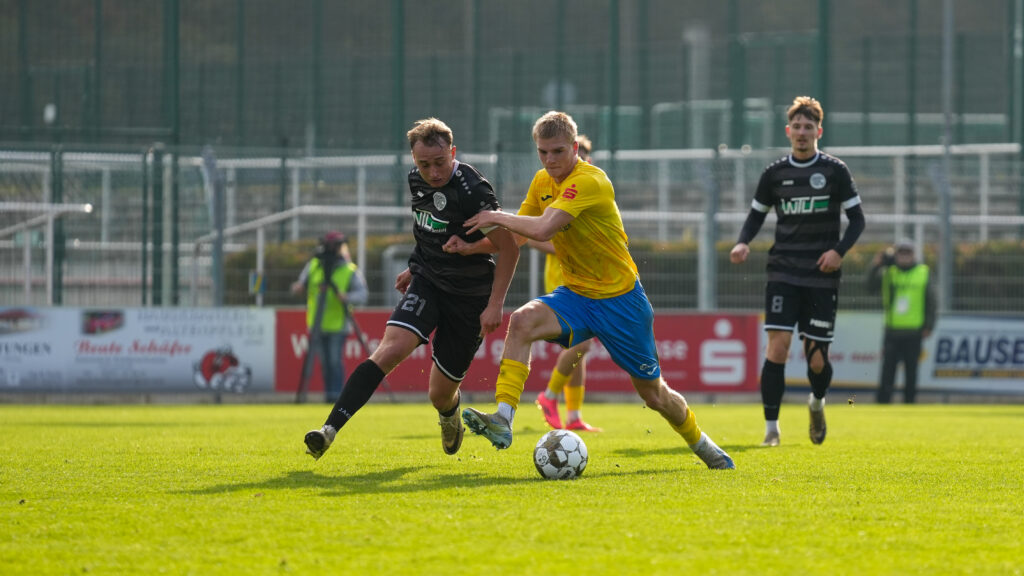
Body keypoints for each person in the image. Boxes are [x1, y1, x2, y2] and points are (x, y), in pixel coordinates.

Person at [457, 111, 734, 469]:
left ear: (575, 148)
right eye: (543, 152)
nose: (550, 160)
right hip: (577, 296)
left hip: (621, 302)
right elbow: (518, 238)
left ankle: (703, 445)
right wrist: (470, 248)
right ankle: (503, 418)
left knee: (654, 395)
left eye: (558, 151)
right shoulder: (542, 182)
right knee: (522, 321)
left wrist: (495, 215)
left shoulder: (590, 181)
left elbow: (542, 229)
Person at [303, 117, 519, 460]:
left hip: (469, 297)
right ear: (414, 160)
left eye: (440, 162)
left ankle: (449, 415)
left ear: (453, 153)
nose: (432, 172)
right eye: (423, 164)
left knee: (439, 395)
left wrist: (494, 304)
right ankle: (328, 431)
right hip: (428, 282)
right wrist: (415, 266)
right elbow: (428, 228)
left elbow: (508, 247)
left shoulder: (473, 191)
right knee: (389, 350)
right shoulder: (415, 179)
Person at [730, 96, 866, 447]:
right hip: (783, 272)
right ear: (788, 131)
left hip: (821, 276)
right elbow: (756, 215)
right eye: (797, 127)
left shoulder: (835, 171)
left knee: (817, 361)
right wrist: (743, 242)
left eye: (809, 127)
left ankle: (816, 403)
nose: (802, 132)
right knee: (776, 348)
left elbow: (857, 220)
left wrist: (838, 251)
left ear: (819, 131)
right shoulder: (774, 174)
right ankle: (771, 430)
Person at [532, 134, 601, 432]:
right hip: (563, 276)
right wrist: (565, 248)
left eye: (582, 156)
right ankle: (549, 396)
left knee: (580, 349)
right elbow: (533, 235)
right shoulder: (551, 190)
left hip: (588, 276)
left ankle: (573, 416)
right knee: (582, 344)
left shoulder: (589, 187)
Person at [290, 231, 368, 403]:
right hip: (316, 324)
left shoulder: (349, 269)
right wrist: (298, 288)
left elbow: (362, 295)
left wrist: (346, 297)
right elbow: (300, 284)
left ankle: (337, 396)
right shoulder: (314, 265)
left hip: (338, 324)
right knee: (325, 364)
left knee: (334, 362)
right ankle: (329, 396)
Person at [866, 239, 936, 404]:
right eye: (901, 253)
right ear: (896, 255)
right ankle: (883, 403)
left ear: (913, 255)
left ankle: (909, 402)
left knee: (911, 371)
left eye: (907, 253)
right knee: (887, 371)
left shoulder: (923, 272)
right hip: (892, 329)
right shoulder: (888, 272)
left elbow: (931, 301)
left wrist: (929, 325)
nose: (904, 256)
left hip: (914, 330)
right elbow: (870, 287)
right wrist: (876, 265)